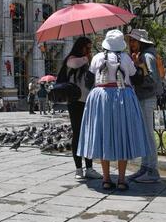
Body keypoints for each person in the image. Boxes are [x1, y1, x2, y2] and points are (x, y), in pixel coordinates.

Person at [77, 29, 152, 191]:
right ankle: (122, 179)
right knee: (122, 136)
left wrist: (90, 63)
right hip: (122, 96)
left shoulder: (97, 58)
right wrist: (138, 65)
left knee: (104, 136)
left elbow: (89, 82)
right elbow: (136, 79)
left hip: (101, 98)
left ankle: (105, 178)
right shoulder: (125, 58)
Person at [56, 36, 102, 180]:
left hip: (88, 101)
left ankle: (89, 167)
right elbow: (74, 63)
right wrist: (88, 58)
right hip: (75, 102)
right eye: (86, 47)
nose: (88, 50)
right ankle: (78, 168)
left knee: (88, 134)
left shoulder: (88, 63)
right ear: (80, 47)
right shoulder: (72, 59)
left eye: (90, 48)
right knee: (77, 133)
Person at [126, 29, 162, 183]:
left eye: (134, 41)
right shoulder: (142, 56)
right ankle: (145, 167)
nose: (131, 44)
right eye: (131, 41)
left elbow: (153, 79)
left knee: (148, 135)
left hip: (147, 98)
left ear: (141, 42)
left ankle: (152, 170)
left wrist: (138, 79)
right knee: (144, 134)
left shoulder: (147, 56)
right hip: (142, 97)